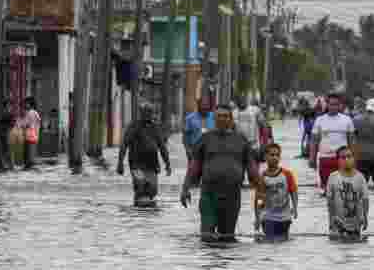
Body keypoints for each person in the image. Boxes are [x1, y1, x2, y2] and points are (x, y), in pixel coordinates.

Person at [180, 104, 262, 242]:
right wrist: (185, 188)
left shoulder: (241, 140)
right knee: (207, 236)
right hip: (209, 195)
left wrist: (261, 189)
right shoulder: (205, 139)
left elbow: (251, 167)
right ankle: (210, 262)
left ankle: (224, 262)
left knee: (227, 238)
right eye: (219, 116)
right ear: (214, 119)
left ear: (231, 119)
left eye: (225, 116)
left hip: (232, 196)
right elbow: (194, 165)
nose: (222, 119)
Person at [118, 102, 172, 205]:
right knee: (141, 185)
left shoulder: (155, 127)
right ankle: (138, 209)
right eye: (145, 112)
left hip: (152, 165)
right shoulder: (133, 126)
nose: (147, 114)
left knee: (152, 190)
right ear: (141, 113)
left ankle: (148, 212)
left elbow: (162, 147)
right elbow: (124, 144)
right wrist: (120, 163)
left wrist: (168, 164)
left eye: (149, 112)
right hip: (136, 165)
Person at [310, 92, 355, 194]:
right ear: (327, 104)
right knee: (327, 190)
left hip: (343, 160)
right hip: (325, 159)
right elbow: (314, 141)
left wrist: (354, 158)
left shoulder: (347, 120)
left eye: (336, 104)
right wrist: (312, 158)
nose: (333, 107)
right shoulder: (320, 120)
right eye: (331, 104)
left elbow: (352, 141)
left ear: (340, 105)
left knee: (343, 189)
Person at [254, 143, 298, 240]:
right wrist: (257, 218)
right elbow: (259, 199)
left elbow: (293, 192)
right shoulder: (262, 177)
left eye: (277, 155)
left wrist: (295, 208)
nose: (275, 158)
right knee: (270, 242)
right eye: (272, 155)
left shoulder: (287, 174)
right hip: (268, 217)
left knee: (283, 242)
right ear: (265, 157)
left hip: (285, 218)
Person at [326, 146, 369, 239]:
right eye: (343, 157)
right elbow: (330, 202)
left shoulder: (360, 177)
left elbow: (365, 199)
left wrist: (365, 218)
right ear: (338, 160)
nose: (346, 159)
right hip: (338, 222)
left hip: (356, 222)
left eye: (349, 156)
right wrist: (331, 221)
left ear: (353, 159)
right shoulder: (333, 177)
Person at [18, 97, 41, 169]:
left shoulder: (30, 113)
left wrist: (19, 124)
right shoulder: (36, 113)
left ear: (30, 104)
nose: (24, 105)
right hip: (34, 137)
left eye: (26, 103)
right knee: (31, 158)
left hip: (29, 137)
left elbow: (25, 124)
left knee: (28, 159)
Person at [0, 99, 15, 171]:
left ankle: (9, 165)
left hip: (7, 134)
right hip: (2, 133)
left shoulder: (10, 114)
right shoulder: (2, 113)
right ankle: (4, 165)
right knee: (3, 150)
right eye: (7, 105)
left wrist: (8, 129)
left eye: (9, 105)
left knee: (7, 150)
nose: (9, 107)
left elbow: (12, 124)